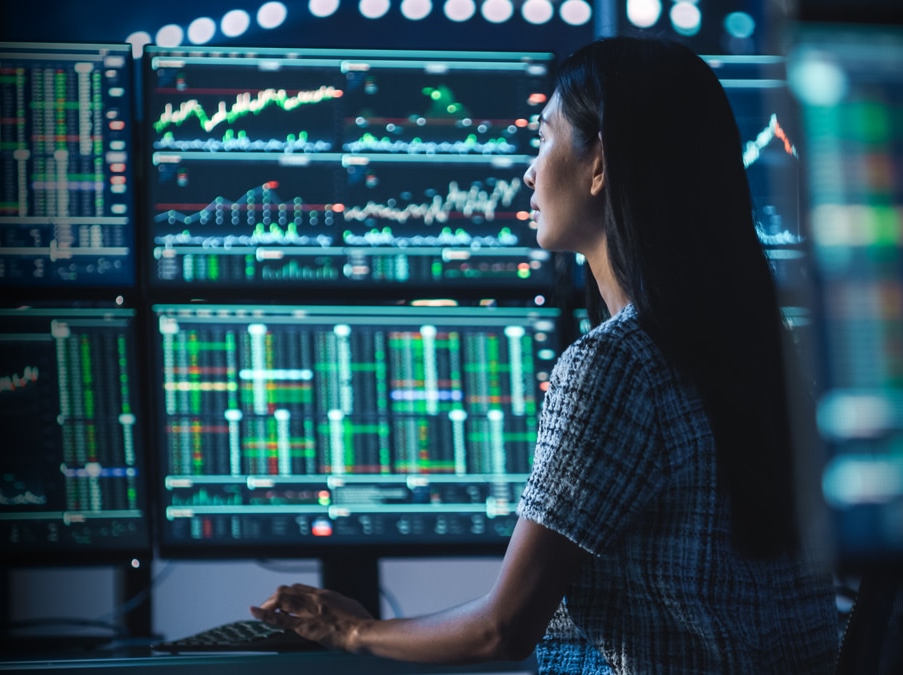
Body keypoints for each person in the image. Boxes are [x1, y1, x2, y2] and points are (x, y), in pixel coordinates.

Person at [251, 35, 838, 673]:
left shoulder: (616, 366)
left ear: (600, 164)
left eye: (543, 137)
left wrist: (351, 631)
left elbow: (501, 630)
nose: (529, 171)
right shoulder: (766, 346)